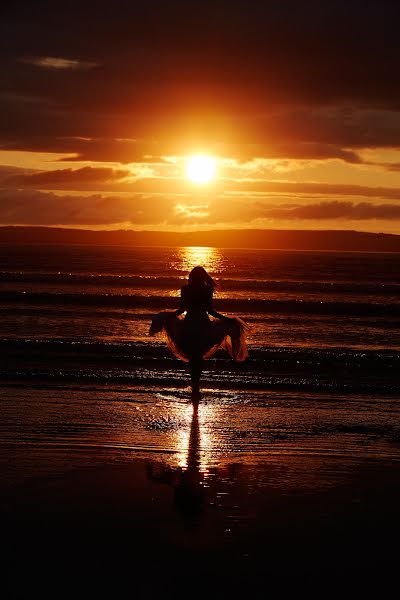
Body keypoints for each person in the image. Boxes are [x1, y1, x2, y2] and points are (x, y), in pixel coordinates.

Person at [149, 266, 249, 397]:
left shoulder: (186, 289)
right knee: (198, 357)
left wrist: (167, 317)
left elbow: (180, 310)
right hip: (203, 325)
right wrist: (226, 319)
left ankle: (194, 387)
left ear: (191, 276)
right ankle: (196, 387)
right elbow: (210, 311)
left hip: (189, 325)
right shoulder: (207, 289)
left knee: (193, 357)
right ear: (203, 277)